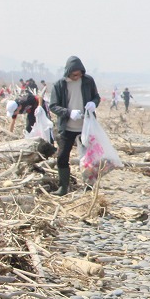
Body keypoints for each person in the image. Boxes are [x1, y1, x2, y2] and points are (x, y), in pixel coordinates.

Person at [48, 57, 101, 196]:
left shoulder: (88, 81)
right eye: (74, 75)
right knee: (62, 157)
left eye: (80, 74)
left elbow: (97, 97)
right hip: (67, 128)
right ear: (68, 72)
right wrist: (68, 113)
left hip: (86, 127)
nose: (78, 77)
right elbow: (53, 106)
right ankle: (63, 187)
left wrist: (94, 103)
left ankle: (89, 188)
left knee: (89, 159)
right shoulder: (59, 85)